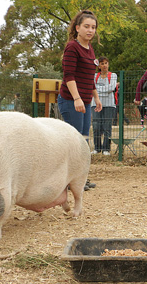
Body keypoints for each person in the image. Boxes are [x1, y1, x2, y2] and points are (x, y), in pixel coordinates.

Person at [58, 10, 102, 191]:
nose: (90, 30)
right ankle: (68, 181)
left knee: (83, 141)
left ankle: (80, 179)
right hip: (70, 101)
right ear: (77, 28)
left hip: (85, 101)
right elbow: (69, 75)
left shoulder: (90, 49)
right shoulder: (72, 47)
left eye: (93, 27)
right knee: (74, 142)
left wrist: (96, 98)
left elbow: (89, 77)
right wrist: (76, 98)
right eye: (86, 26)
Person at [91, 56, 117, 156]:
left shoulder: (113, 75)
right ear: (99, 66)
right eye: (102, 63)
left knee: (107, 126)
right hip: (95, 104)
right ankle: (97, 148)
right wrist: (105, 90)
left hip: (109, 104)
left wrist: (98, 89)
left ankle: (106, 149)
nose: (104, 65)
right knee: (96, 126)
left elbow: (112, 87)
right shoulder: (94, 76)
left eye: (106, 63)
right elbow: (92, 87)